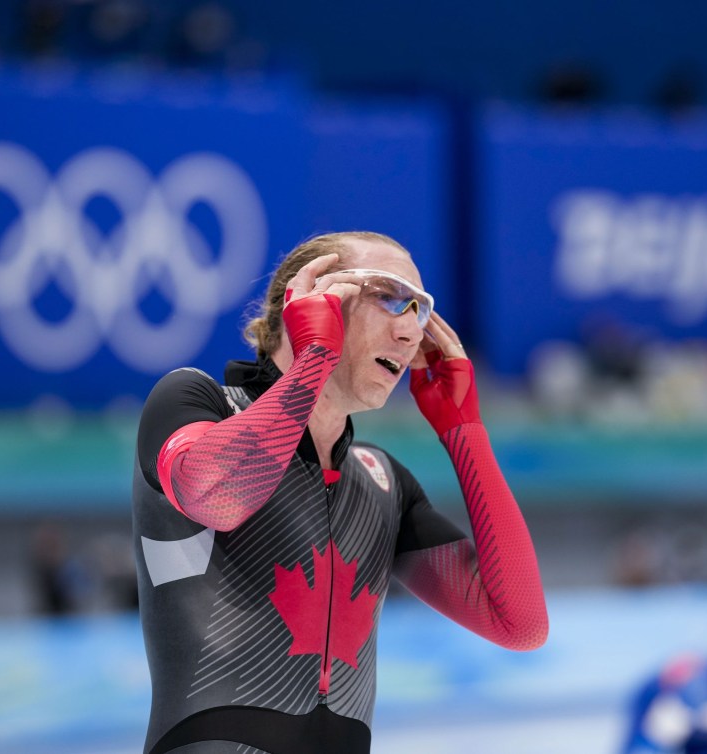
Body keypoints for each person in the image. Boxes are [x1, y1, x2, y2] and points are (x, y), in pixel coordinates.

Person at [132, 231, 549, 754]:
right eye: (388, 297)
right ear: (306, 301)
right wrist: (312, 360)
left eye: (418, 311)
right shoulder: (195, 403)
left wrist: (464, 430)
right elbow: (220, 498)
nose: (410, 334)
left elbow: (521, 624)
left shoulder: (382, 483)